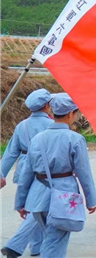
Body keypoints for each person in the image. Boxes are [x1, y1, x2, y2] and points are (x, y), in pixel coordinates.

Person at [13, 93, 96, 258]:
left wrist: (20, 202)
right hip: (64, 197)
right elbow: (84, 173)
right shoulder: (75, 139)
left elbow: (26, 173)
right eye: (76, 113)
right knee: (55, 244)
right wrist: (91, 200)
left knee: (49, 240)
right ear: (69, 114)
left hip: (36, 199)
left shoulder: (37, 139)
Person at [1, 89, 54, 258]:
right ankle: (20, 244)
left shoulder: (21, 126)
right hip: (45, 171)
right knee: (40, 208)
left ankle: (36, 247)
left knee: (32, 205)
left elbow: (10, 153)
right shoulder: (52, 125)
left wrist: (1, 173)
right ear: (47, 105)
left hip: (24, 168)